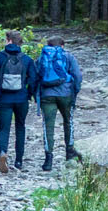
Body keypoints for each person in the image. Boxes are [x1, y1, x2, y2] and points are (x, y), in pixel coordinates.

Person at [30, 34, 84, 170]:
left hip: (47, 96)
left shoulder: (42, 58)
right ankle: (69, 152)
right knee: (68, 121)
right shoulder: (68, 56)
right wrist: (75, 92)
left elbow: (34, 77)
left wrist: (34, 94)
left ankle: (48, 159)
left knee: (48, 126)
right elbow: (77, 75)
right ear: (62, 46)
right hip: (66, 94)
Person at [0, 30, 36, 173]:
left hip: (4, 99)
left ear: (9, 40)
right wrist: (29, 93)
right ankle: (19, 161)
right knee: (20, 127)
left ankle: (3, 153)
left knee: (4, 128)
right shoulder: (27, 59)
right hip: (21, 98)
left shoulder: (0, 57)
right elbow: (34, 79)